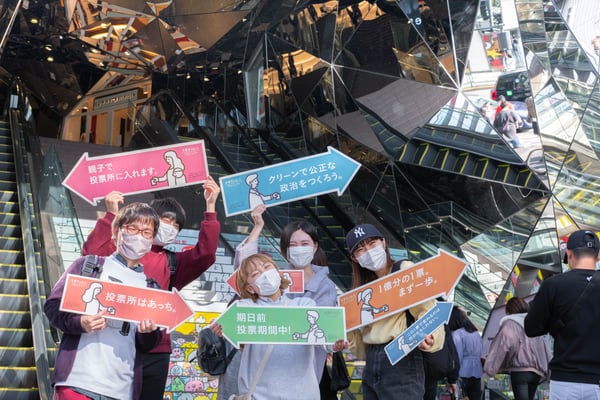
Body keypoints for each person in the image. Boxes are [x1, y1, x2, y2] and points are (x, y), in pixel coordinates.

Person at [81, 176, 221, 400]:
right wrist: (111, 214)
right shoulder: (119, 251)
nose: (171, 227)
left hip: (155, 350)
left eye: (176, 225)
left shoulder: (173, 262)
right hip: (112, 343)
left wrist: (211, 207)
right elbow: (90, 254)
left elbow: (205, 254)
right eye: (166, 220)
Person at [44, 202, 163, 400]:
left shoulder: (151, 287)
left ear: (152, 239)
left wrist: (148, 332)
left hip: (122, 390)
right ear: (116, 231)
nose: (139, 237)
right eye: (132, 228)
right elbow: (52, 306)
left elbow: (149, 344)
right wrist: (79, 322)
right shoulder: (88, 266)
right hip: (77, 383)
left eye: (146, 232)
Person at [234, 204, 338, 399]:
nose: (299, 249)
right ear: (285, 250)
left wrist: (335, 343)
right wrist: (257, 227)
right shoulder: (273, 278)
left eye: (305, 243)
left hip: (303, 375)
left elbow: (325, 330)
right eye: (292, 245)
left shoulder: (326, 287)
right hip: (265, 379)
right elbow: (246, 270)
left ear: (315, 246)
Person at [211, 253, 346, 400]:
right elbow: (224, 326)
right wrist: (217, 329)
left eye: (267, 267)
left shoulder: (303, 305)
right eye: (255, 274)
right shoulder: (244, 308)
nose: (264, 274)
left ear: (277, 272)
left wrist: (334, 344)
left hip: (302, 395)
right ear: (250, 288)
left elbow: (322, 337)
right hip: (258, 396)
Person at [344, 223, 444, 399]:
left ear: (383, 243)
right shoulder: (361, 291)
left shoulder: (404, 270)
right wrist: (346, 334)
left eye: (372, 244)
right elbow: (362, 348)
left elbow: (428, 310)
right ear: (354, 258)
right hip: (372, 364)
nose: (368, 252)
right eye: (360, 250)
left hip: (401, 356)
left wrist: (431, 337)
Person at [525, 230, 600, 399]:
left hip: (565, 380)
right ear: (598, 256)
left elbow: (531, 328)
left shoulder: (553, 285)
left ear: (569, 253)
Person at [483, 297, 551, 400]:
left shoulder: (510, 324)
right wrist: (551, 373)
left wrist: (489, 370)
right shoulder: (533, 324)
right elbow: (544, 349)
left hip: (520, 371)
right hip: (536, 374)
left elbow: (501, 346)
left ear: (510, 310)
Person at [449, 306, 483, 400]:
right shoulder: (476, 333)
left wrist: (452, 375)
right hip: (477, 372)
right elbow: (481, 352)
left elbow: (457, 357)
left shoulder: (457, 334)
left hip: (462, 373)